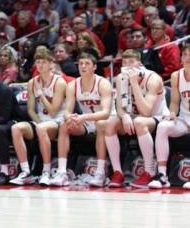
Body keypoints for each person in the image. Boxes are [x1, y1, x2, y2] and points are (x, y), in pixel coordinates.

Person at [102, 49, 169, 188]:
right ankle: (118, 172)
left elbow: (145, 111)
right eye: (124, 63)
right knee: (109, 123)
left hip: (155, 117)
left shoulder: (153, 79)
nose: (127, 66)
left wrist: (134, 83)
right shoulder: (120, 78)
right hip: (133, 116)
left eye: (131, 62)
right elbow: (120, 107)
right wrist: (125, 116)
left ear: (139, 64)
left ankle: (149, 171)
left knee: (139, 122)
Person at [50, 52, 113, 187]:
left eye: (87, 64)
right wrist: (70, 117)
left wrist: (84, 117)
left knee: (102, 124)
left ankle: (100, 173)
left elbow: (106, 113)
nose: (83, 66)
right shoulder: (73, 85)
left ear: (95, 67)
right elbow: (67, 111)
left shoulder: (103, 83)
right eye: (81, 64)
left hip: (105, 120)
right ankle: (62, 172)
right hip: (87, 121)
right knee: (64, 124)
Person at [8, 47, 68, 186]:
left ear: (51, 64)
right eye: (38, 62)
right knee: (16, 128)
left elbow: (53, 111)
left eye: (43, 62)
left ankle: (45, 171)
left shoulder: (59, 82)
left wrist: (41, 94)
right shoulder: (32, 82)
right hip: (41, 121)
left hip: (58, 121)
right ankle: (26, 172)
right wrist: (38, 123)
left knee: (41, 129)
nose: (40, 65)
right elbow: (31, 110)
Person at [149, 43, 190, 189]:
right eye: (185, 54)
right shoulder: (176, 76)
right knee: (163, 126)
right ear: (181, 58)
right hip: (185, 120)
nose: (188, 57)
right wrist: (172, 113)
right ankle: (162, 176)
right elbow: (174, 102)